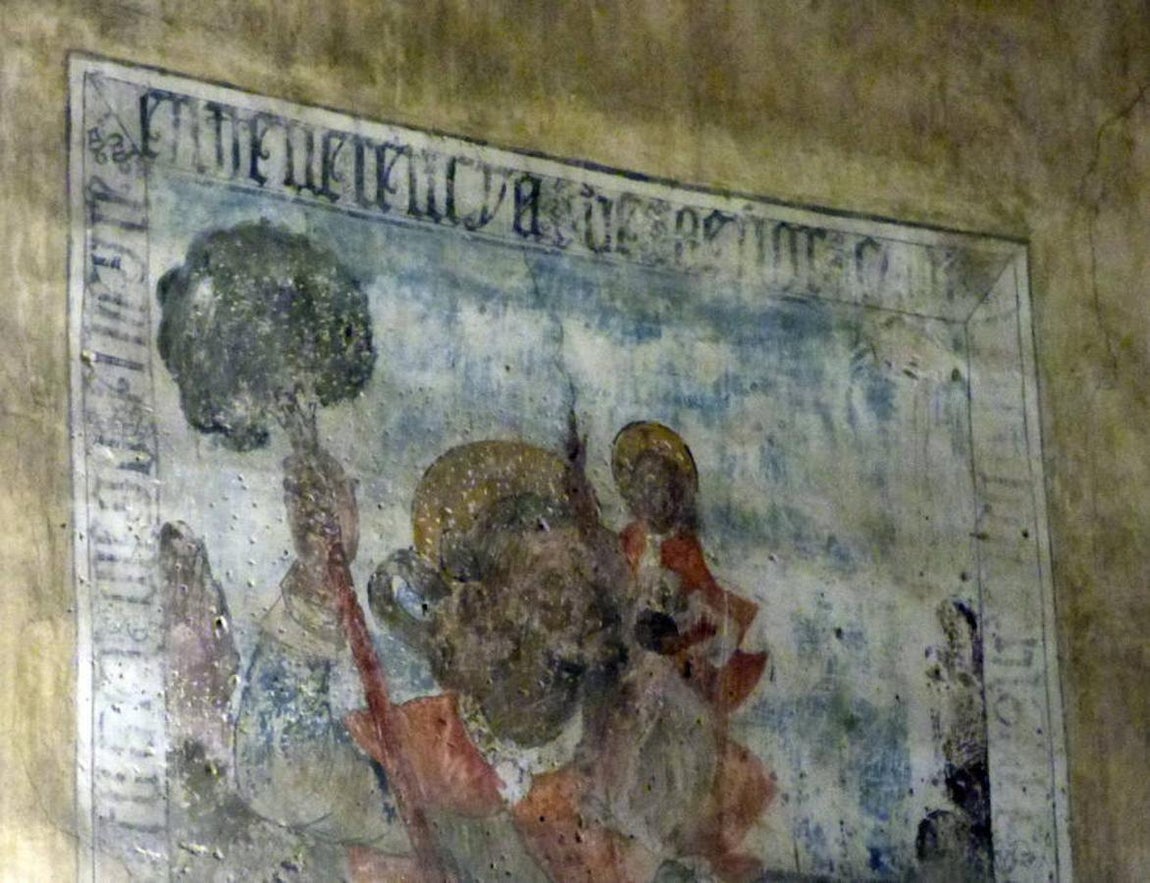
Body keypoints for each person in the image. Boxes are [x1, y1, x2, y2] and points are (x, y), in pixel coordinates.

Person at [607, 421, 775, 880]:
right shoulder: (628, 544)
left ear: (677, 494)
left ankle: (682, 850)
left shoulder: (689, 550)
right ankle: (652, 848)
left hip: (680, 675)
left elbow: (716, 615)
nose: (652, 496)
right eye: (642, 486)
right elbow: (617, 603)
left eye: (661, 486)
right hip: (637, 675)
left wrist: (680, 640)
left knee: (682, 754)